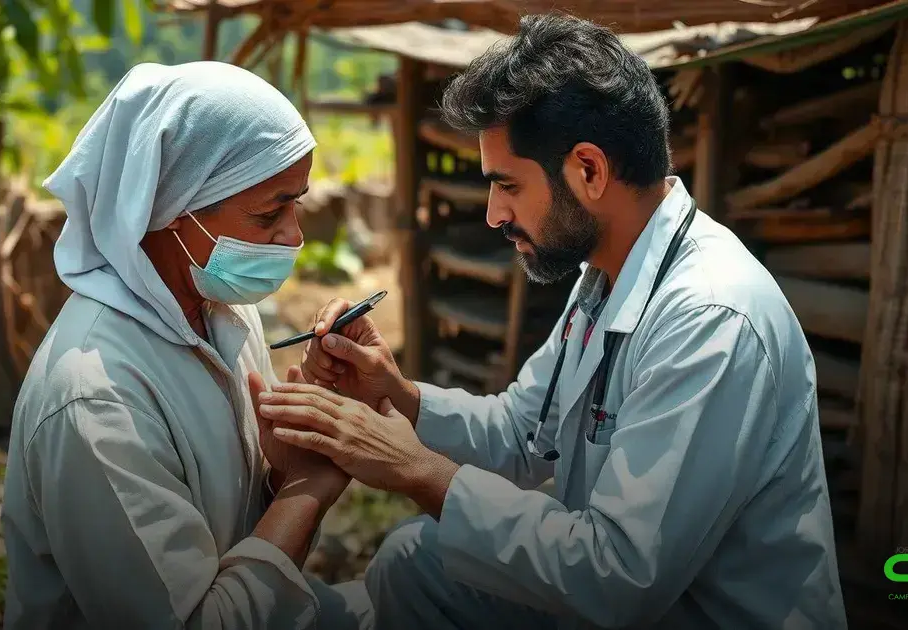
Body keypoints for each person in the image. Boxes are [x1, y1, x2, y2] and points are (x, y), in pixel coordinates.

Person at [255, 13, 848, 630]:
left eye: (506, 185)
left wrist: (415, 469)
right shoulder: (608, 275)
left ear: (588, 171)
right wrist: (396, 396)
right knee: (414, 562)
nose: (492, 214)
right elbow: (522, 433)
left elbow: (620, 575)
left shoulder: (710, 320)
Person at [1, 61, 372, 629]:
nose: (294, 234)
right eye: (271, 211)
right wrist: (305, 490)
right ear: (171, 208)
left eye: (296, 204)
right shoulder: (97, 402)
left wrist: (280, 472)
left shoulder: (222, 308)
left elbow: (242, 527)